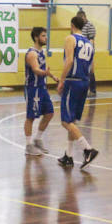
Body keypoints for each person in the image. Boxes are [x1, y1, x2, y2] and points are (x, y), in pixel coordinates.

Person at [56, 16, 99, 169]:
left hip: (73, 81)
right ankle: (69, 155)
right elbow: (92, 68)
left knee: (65, 121)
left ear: (72, 25)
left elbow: (69, 61)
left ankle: (87, 149)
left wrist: (62, 80)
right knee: (72, 120)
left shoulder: (71, 38)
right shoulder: (89, 43)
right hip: (85, 82)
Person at [24, 26, 56, 156]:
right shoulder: (32, 53)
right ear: (36, 37)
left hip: (42, 87)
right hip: (33, 88)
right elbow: (36, 70)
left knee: (49, 113)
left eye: (46, 35)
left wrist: (52, 76)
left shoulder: (41, 51)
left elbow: (42, 70)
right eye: (43, 35)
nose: (46, 38)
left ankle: (37, 139)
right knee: (30, 117)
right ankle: (28, 145)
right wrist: (46, 73)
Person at [76, 10, 98, 97]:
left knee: (90, 70)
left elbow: (91, 40)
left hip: (88, 51)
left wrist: (90, 52)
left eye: (81, 19)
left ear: (84, 17)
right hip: (79, 51)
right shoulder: (78, 26)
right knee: (80, 70)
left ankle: (93, 90)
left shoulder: (90, 26)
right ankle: (81, 90)